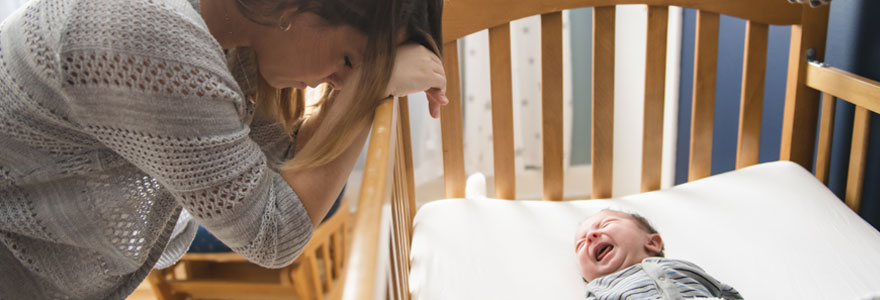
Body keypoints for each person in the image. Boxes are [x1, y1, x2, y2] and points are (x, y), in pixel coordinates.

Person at [0, 0, 446, 298]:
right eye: (349, 60)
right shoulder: (154, 36)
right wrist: (369, 90)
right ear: (299, 6)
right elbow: (274, 234)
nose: (340, 83)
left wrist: (368, 79)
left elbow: (282, 160)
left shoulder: (230, 37)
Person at [574, 209, 743, 299]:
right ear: (587, 277)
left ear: (652, 243)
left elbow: (722, 292)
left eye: (605, 224)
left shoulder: (682, 267)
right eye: (581, 244)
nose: (590, 237)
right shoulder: (599, 290)